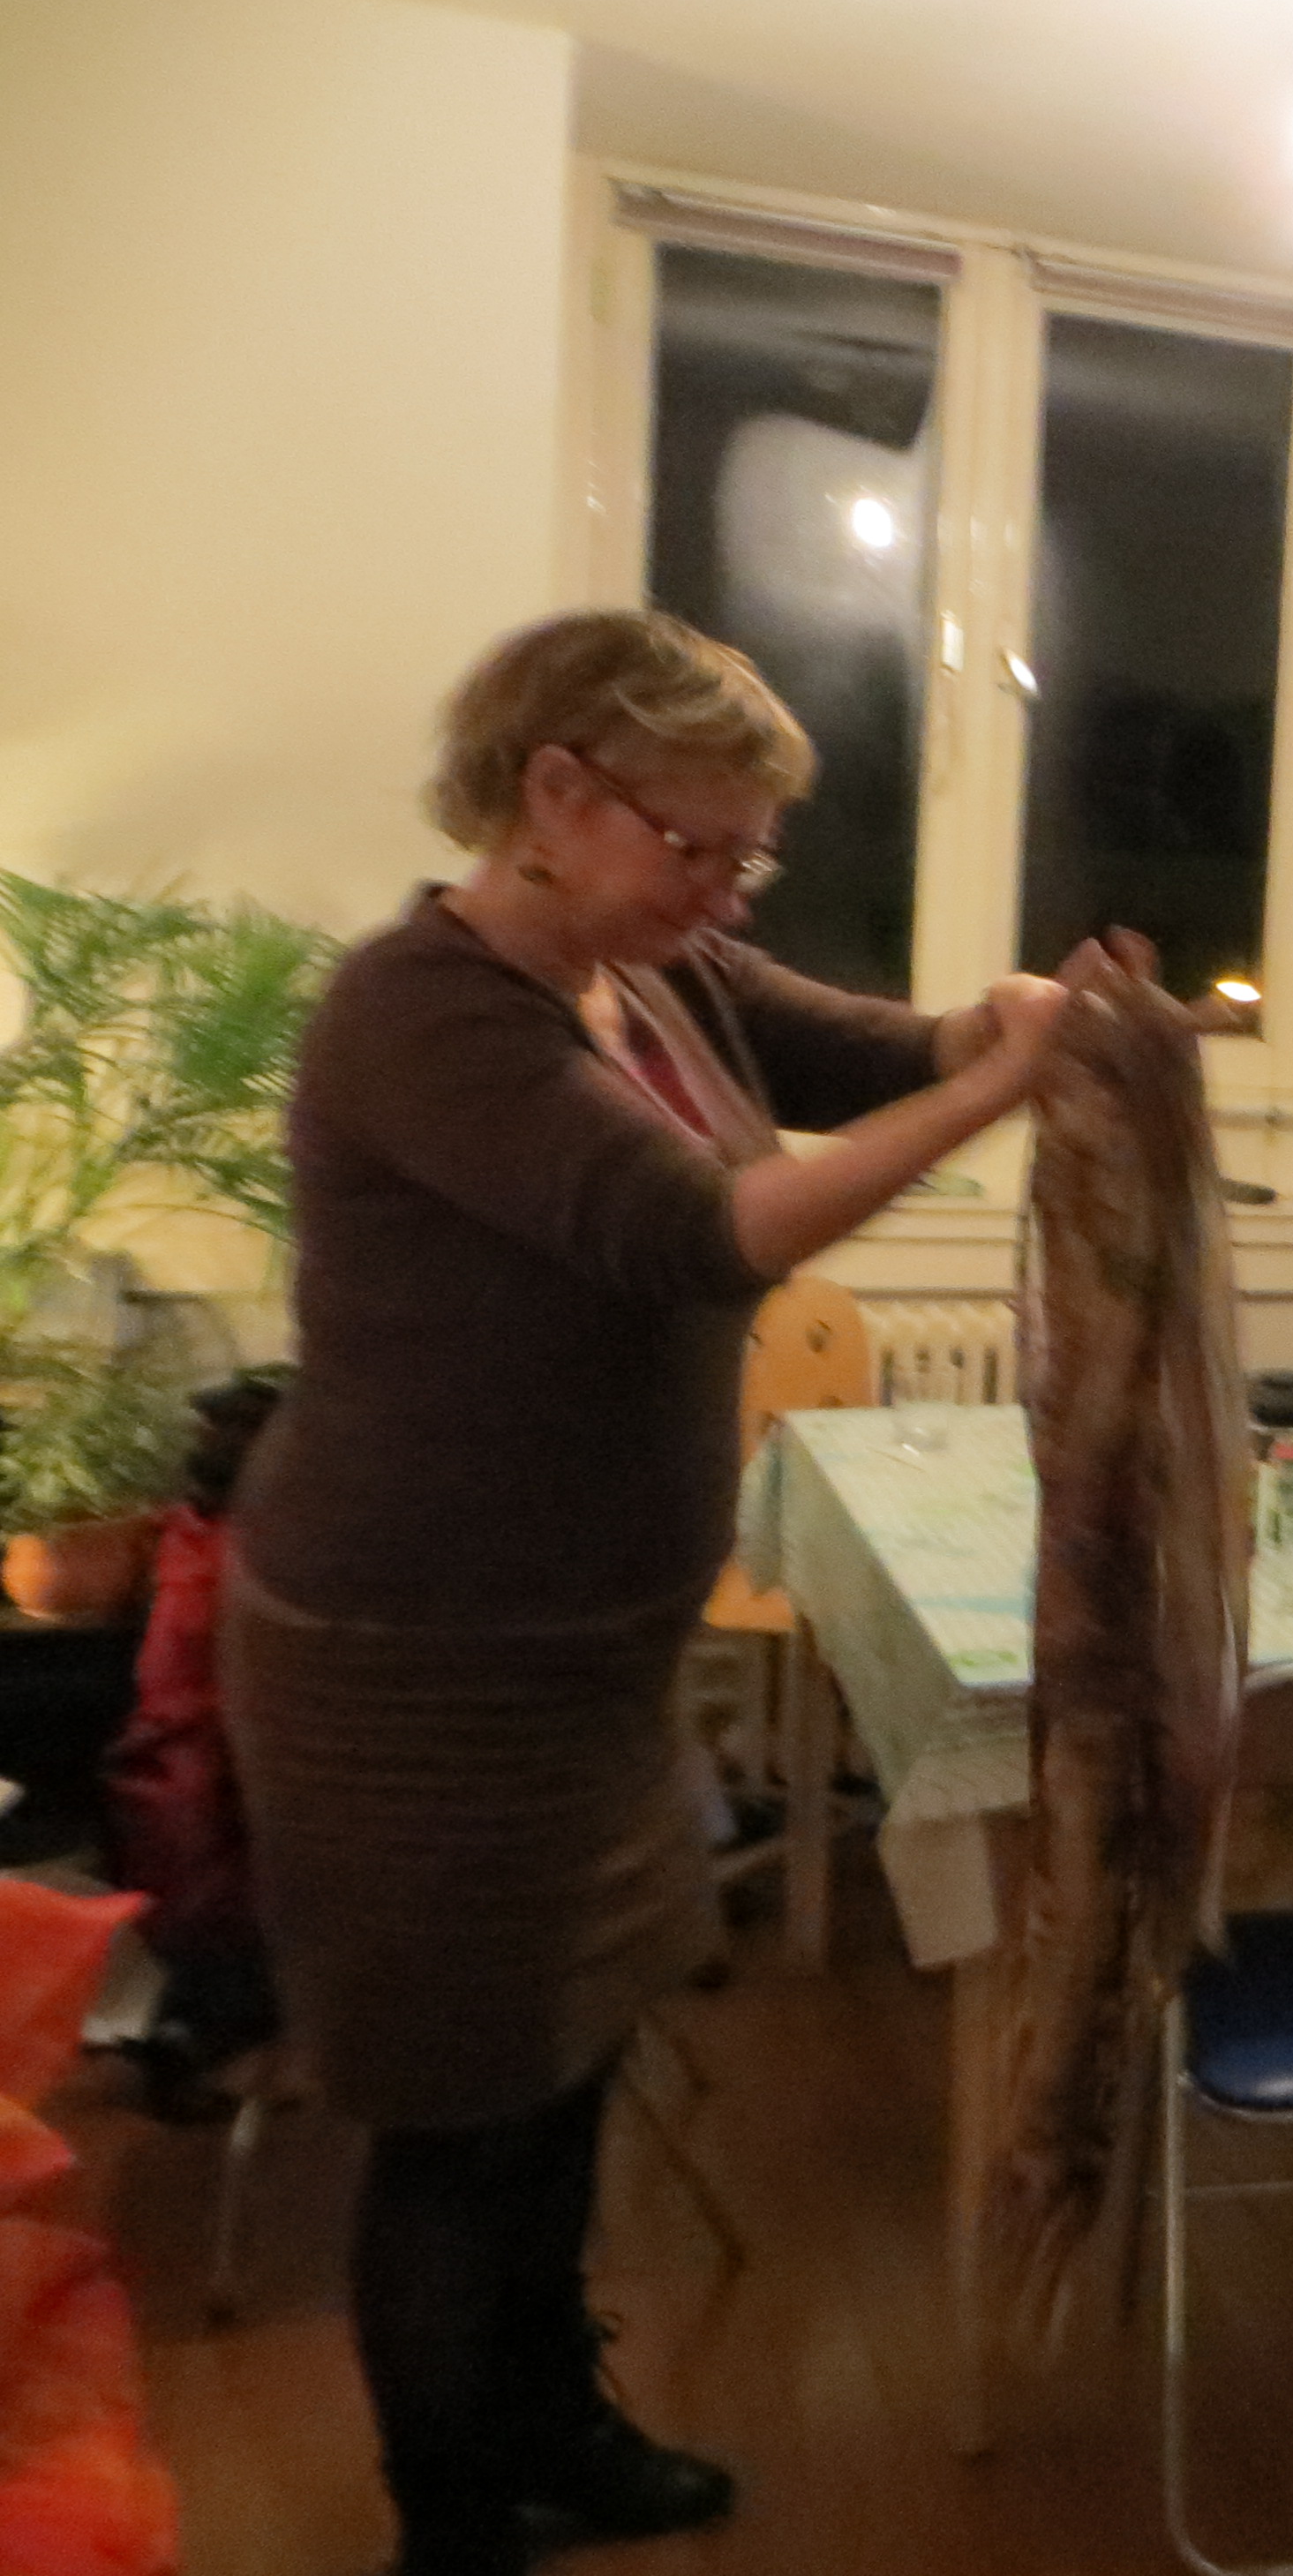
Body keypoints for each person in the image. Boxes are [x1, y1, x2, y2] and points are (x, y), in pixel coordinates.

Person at [223, 610, 1086, 2576]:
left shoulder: (658, 968)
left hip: (590, 1658)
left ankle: (555, 2426)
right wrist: (996, 1102)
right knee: (460, 2122)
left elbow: (888, 1046)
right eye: (698, 845)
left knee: (573, 2069)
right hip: (408, 1671)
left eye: (746, 859)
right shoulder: (421, 1017)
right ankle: (456, 2531)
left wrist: (1010, 1021)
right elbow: (705, 1234)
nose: (725, 890)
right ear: (555, 792)